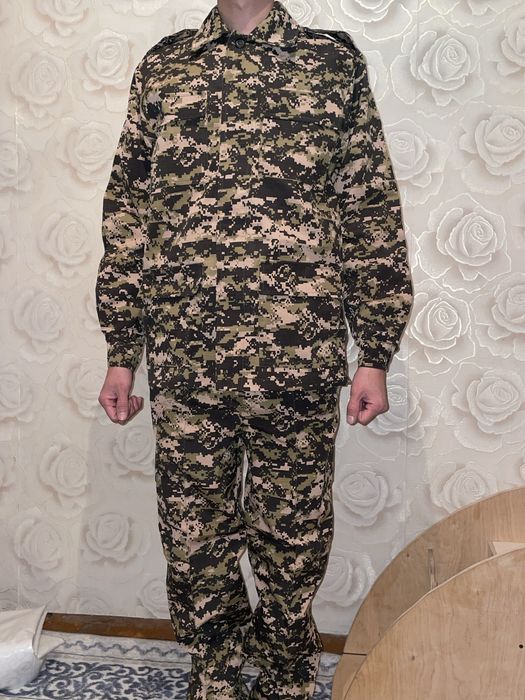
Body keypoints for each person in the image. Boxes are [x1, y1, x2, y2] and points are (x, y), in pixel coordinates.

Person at [95, 0, 413, 698]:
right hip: (185, 357)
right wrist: (122, 350)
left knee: (293, 536)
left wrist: (375, 352)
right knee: (193, 535)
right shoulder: (165, 67)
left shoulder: (331, 63)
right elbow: (129, 214)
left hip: (296, 357)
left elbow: (369, 210)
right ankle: (214, 666)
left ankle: (285, 668)